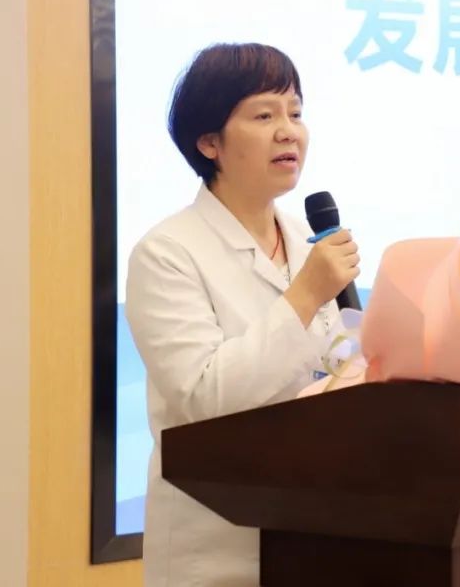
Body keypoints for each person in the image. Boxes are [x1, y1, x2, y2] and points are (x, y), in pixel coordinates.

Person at [125, 43, 360, 586]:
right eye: (263, 116)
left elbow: (337, 374)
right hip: (220, 551)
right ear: (209, 142)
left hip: (319, 534)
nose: (288, 131)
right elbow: (205, 396)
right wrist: (306, 295)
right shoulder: (167, 253)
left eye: (295, 113)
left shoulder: (306, 242)